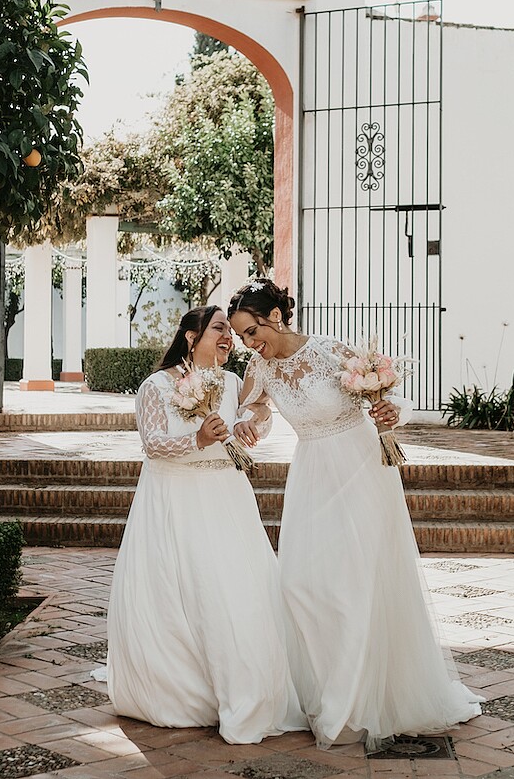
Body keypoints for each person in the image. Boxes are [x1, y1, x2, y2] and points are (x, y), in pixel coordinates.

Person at [228, 279, 482, 750]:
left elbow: (379, 399)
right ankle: (327, 688)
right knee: (301, 582)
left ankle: (364, 698)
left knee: (358, 579)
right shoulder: (259, 369)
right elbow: (256, 413)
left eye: (251, 331)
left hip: (360, 466)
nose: (248, 342)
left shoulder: (328, 351)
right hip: (311, 475)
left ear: (275, 317)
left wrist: (390, 410)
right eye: (242, 336)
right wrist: (249, 425)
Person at [100, 305, 305, 745]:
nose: (229, 337)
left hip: (227, 500)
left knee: (235, 594)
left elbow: (261, 413)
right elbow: (153, 445)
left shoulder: (233, 382)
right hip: (174, 501)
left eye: (232, 332)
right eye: (219, 329)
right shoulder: (156, 386)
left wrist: (252, 425)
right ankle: (184, 690)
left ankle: (244, 685)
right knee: (182, 594)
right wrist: (199, 438)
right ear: (191, 337)